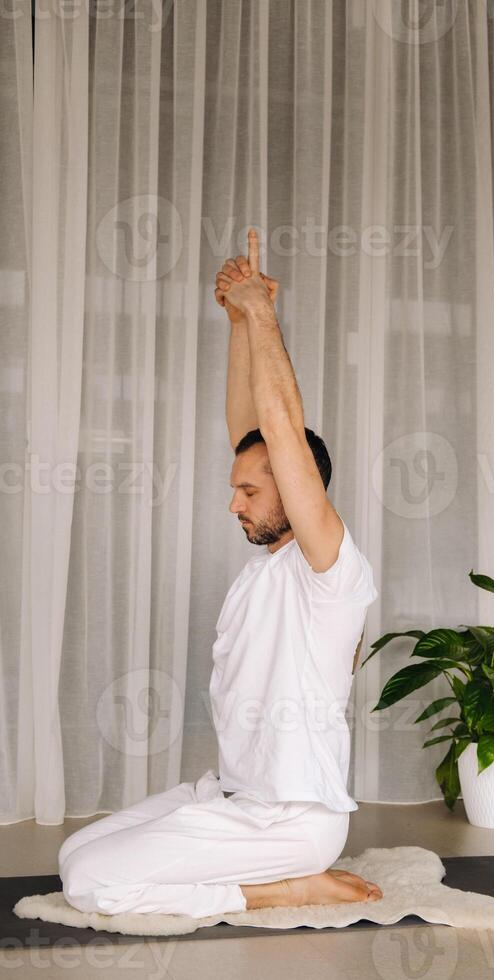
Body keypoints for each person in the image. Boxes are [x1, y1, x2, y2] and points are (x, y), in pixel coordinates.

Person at [57, 229, 382, 917]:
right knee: (70, 856)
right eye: (237, 489)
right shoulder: (269, 567)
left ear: (301, 494)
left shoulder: (328, 572)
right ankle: (265, 873)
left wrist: (265, 314)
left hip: (290, 822)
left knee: (90, 882)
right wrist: (239, 320)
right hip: (231, 797)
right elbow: (253, 431)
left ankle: (288, 887)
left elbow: (280, 430)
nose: (235, 503)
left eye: (251, 493)